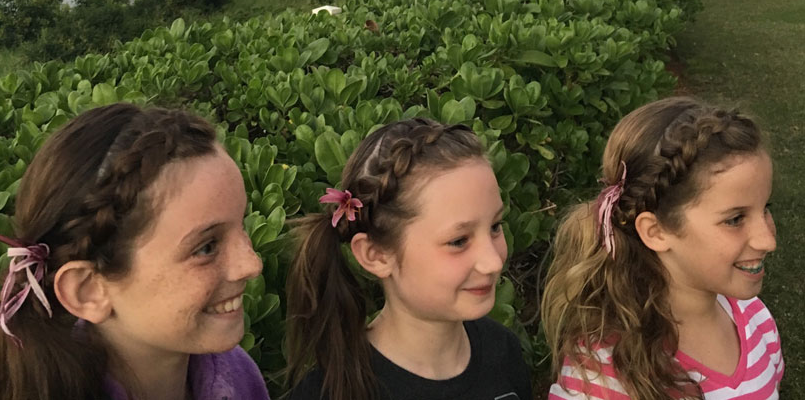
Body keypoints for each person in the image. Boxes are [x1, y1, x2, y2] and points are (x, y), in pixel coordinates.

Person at [0, 102, 270, 400]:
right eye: (206, 248)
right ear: (88, 290)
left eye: (241, 224)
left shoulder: (236, 374)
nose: (251, 264)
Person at [541, 96, 783, 400]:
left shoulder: (755, 320)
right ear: (656, 232)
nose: (768, 240)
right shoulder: (601, 378)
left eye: (766, 209)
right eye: (735, 219)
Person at [285, 116, 532, 400]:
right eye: (458, 241)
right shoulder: (331, 392)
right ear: (376, 255)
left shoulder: (502, 351)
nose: (493, 261)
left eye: (495, 227)